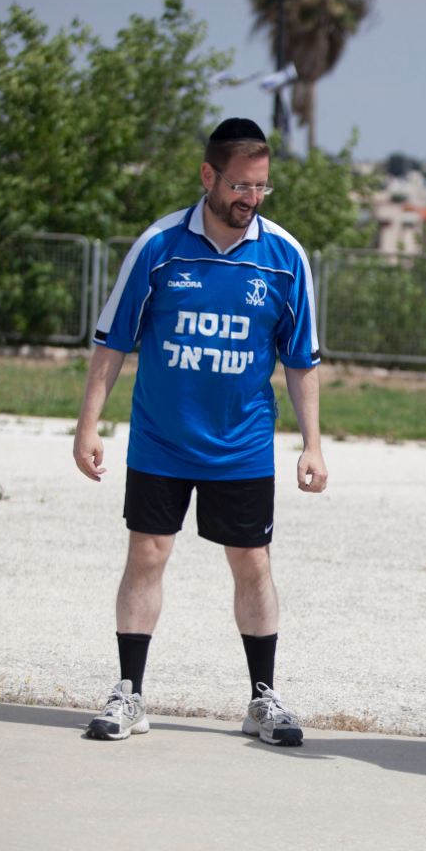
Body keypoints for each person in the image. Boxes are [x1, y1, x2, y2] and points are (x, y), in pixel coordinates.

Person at [72, 117, 326, 746]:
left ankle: (262, 700)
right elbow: (112, 343)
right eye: (240, 185)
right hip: (162, 438)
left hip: (241, 446)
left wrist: (313, 443)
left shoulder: (285, 259)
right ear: (208, 176)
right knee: (148, 554)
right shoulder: (158, 246)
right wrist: (88, 426)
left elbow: (301, 361)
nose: (250, 198)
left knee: (251, 563)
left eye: (261, 187)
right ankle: (129, 694)